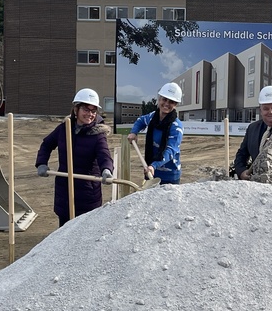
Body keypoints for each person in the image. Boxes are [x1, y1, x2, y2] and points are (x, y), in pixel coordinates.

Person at [35, 88, 114, 227]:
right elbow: (47, 144)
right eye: (86, 109)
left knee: (84, 235)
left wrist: (107, 169)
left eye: (93, 111)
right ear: (76, 109)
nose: (89, 114)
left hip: (87, 194)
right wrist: (41, 163)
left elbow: (104, 155)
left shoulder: (98, 134)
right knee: (64, 232)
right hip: (64, 190)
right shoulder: (64, 129)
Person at [127, 82, 184, 185]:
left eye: (171, 101)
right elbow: (140, 121)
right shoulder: (153, 116)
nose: (166, 103)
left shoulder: (176, 127)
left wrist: (154, 165)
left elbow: (170, 151)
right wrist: (134, 132)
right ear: (159, 99)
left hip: (169, 176)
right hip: (150, 170)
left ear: (175, 104)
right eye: (164, 99)